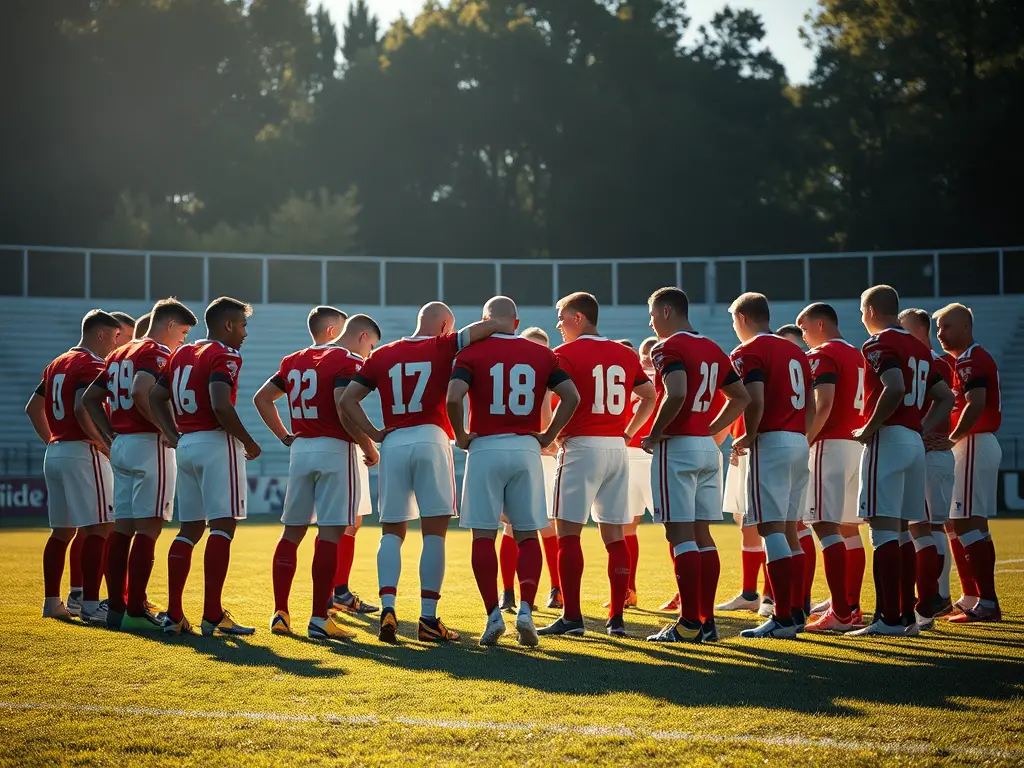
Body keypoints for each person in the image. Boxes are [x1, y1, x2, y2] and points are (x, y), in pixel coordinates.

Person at [340, 302, 501, 643]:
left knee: (391, 533)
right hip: (431, 437)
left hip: (394, 441)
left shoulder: (382, 354)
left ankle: (388, 606)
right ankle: (428, 619)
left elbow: (348, 401)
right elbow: (488, 327)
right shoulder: (444, 344)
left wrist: (375, 433)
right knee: (434, 534)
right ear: (445, 325)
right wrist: (495, 320)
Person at [447, 297, 580, 646]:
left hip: (486, 447)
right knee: (526, 534)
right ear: (517, 322)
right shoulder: (542, 354)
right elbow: (571, 396)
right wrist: (548, 436)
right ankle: (525, 611)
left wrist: (461, 436)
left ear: (485, 320)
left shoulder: (471, 353)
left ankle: (493, 616)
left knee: (483, 536)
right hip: (525, 448)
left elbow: (453, 397)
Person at [254, 307, 382, 640]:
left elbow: (263, 398)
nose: (368, 354)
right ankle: (318, 618)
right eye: (370, 347)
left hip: (301, 450)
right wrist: (368, 445)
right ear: (363, 337)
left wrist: (284, 436)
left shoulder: (293, 359)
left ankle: (280, 612)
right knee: (329, 534)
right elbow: (343, 404)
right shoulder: (348, 360)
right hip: (335, 450)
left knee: (291, 533)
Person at [537, 292, 657, 638]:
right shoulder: (624, 352)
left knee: (568, 533)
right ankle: (616, 619)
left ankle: (572, 617)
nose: (558, 324)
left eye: (562, 317)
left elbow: (551, 397)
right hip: (616, 448)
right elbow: (648, 396)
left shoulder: (563, 354)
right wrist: (627, 432)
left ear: (578, 317)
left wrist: (551, 434)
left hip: (582, 447)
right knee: (614, 535)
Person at [642, 288, 750, 643]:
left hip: (678, 447)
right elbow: (741, 397)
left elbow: (676, 391)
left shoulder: (667, 347)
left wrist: (655, 432)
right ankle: (706, 622)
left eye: (653, 314)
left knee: (680, 535)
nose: (651, 322)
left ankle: (689, 622)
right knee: (703, 535)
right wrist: (712, 429)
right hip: (707, 448)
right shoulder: (713, 348)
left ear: (667, 311)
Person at [150, 296, 262, 636]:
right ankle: (212, 614)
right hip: (215, 442)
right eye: (242, 325)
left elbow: (156, 396)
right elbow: (220, 403)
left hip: (186, 444)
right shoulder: (224, 354)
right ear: (227, 324)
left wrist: (173, 434)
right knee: (223, 526)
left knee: (189, 529)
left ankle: (174, 614)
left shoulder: (182, 353)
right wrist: (248, 440)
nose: (244, 333)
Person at [82, 298, 196, 630]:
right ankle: (135, 609)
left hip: (123, 444)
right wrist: (169, 431)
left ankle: (117, 605)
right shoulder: (156, 352)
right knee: (149, 528)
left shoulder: (119, 353)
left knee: (123, 529)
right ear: (170, 325)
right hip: (150, 444)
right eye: (183, 332)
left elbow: (90, 397)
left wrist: (109, 435)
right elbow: (141, 390)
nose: (183, 340)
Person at [847, 286, 953, 637]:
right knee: (904, 530)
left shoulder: (879, 343)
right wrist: (919, 426)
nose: (862, 319)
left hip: (889, 438)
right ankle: (906, 615)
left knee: (882, 530)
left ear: (873, 310)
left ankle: (888, 617)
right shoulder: (919, 349)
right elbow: (945, 397)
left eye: (863, 312)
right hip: (911, 440)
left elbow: (893, 386)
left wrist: (868, 427)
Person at [26, 310, 123, 621]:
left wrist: (54, 439)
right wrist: (103, 442)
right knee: (102, 527)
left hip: (56, 452)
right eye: (115, 336)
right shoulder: (92, 363)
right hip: (82, 451)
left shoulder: (57, 363)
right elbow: (84, 406)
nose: (115, 343)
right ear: (100, 334)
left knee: (61, 531)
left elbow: (33, 408)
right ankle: (92, 605)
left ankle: (52, 602)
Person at [728, 292, 814, 639]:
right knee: (790, 529)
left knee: (769, 528)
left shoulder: (749, 351)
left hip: (772, 441)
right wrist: (799, 434)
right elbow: (810, 403)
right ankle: (794, 612)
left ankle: (782, 616)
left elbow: (755, 398)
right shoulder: (796, 350)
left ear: (743, 319)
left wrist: (749, 435)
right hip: (797, 439)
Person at [795, 302, 867, 632]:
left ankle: (840, 610)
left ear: (820, 324)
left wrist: (805, 441)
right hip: (855, 444)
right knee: (849, 528)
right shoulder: (857, 353)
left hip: (829, 444)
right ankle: (850, 606)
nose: (804, 336)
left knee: (824, 525)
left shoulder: (823, 354)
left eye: (805, 328)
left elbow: (823, 404)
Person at [934, 302, 1003, 623]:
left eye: (947, 326)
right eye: (938, 328)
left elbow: (977, 403)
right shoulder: (965, 360)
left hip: (973, 442)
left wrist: (952, 437)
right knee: (958, 521)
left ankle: (986, 600)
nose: (941, 334)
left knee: (967, 521)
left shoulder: (972, 360)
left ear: (966, 327)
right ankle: (974, 596)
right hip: (972, 443)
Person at [496, 326, 564, 612]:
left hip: (545, 459)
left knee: (549, 527)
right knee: (511, 527)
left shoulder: (556, 383)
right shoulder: (509, 381)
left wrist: (547, 395)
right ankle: (508, 593)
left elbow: (552, 430)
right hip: (517, 454)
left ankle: (556, 589)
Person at [899, 308, 955, 626]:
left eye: (907, 329)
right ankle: (934, 600)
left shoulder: (931, 362)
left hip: (929, 453)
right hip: (927, 452)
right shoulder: (925, 360)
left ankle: (932, 601)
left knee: (926, 528)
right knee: (925, 528)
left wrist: (927, 432)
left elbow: (944, 402)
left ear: (921, 329)